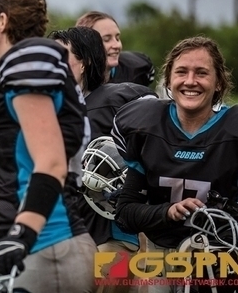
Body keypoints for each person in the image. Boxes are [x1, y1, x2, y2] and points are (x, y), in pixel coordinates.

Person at [0, 0, 96, 293]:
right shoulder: (20, 65)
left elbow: (52, 161)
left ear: (2, 20)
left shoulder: (26, 60)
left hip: (46, 245)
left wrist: (21, 234)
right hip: (40, 247)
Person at [112, 36, 238, 292]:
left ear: (218, 82)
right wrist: (168, 211)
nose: (190, 81)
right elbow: (125, 213)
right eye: (181, 72)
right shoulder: (146, 125)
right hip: (160, 256)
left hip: (221, 259)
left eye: (201, 73)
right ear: (169, 79)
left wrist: (226, 217)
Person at [48, 27, 157, 293]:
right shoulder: (55, 108)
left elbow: (163, 130)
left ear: (84, 62)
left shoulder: (115, 100)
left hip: (113, 235)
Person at [76, 11, 155, 87]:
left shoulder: (138, 68)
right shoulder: (70, 77)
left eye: (117, 38)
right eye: (106, 39)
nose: (117, 45)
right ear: (84, 45)